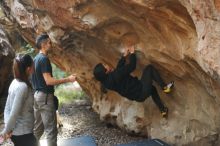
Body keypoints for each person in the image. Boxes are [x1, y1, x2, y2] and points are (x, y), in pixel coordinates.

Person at [93, 44, 174, 118]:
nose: (106, 64)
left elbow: (118, 71)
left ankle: (163, 110)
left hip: (138, 96)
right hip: (141, 90)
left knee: (152, 89)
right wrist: (132, 53)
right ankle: (165, 88)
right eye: (104, 65)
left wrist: (124, 56)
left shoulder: (107, 82)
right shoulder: (115, 75)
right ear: (105, 71)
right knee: (149, 69)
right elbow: (132, 66)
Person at [31, 33, 76, 146]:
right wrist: (68, 79)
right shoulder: (44, 59)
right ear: (43, 44)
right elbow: (49, 81)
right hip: (45, 97)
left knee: (38, 129)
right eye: (49, 43)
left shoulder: (35, 59)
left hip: (37, 96)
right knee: (51, 130)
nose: (51, 45)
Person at [1, 54, 37, 146]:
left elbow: (7, 108)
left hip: (19, 133)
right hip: (23, 134)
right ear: (28, 69)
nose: (34, 67)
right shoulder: (23, 87)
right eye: (33, 65)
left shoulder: (14, 82)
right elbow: (14, 112)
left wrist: (7, 126)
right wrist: (6, 131)